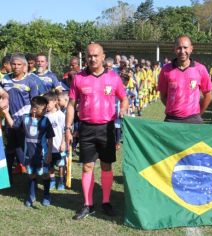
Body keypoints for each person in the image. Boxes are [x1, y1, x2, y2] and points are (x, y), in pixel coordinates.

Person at [65, 43, 128, 220]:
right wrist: (68, 128)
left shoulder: (114, 78)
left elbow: (124, 99)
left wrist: (123, 108)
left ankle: (106, 202)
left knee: (107, 165)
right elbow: (71, 105)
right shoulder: (78, 78)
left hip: (107, 128)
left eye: (96, 55)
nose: (92, 58)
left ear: (102, 56)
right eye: (89, 56)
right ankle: (88, 204)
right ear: (86, 57)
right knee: (87, 166)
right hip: (86, 128)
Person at [2, 96, 55, 207]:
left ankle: (46, 195)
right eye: (43, 109)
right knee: (31, 174)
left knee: (45, 174)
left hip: (43, 154)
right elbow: (13, 125)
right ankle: (31, 196)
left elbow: (50, 138)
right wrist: (6, 113)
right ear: (34, 109)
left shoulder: (46, 120)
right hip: (29, 155)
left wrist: (49, 153)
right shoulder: (24, 119)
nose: (45, 111)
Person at [2, 54, 41, 182]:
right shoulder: (5, 79)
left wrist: (33, 120)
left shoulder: (31, 81)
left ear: (25, 67)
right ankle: (6, 179)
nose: (16, 67)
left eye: (19, 64)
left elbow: (35, 103)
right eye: (14, 64)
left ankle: (32, 180)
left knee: (27, 150)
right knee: (9, 149)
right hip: (9, 119)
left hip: (25, 121)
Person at [158, 35, 212, 124]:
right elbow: (163, 96)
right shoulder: (166, 70)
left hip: (193, 120)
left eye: (185, 47)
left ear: (191, 48)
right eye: (179, 48)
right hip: (171, 120)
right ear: (174, 49)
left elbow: (208, 95)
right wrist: (175, 109)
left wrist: (198, 114)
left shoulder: (200, 69)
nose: (182, 51)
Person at [44, 92, 66, 191]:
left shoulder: (60, 115)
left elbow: (64, 130)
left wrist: (63, 143)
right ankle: (52, 180)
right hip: (49, 147)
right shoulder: (45, 116)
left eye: (48, 103)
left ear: (54, 102)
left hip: (59, 145)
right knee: (50, 164)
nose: (46, 105)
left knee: (61, 164)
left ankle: (61, 181)